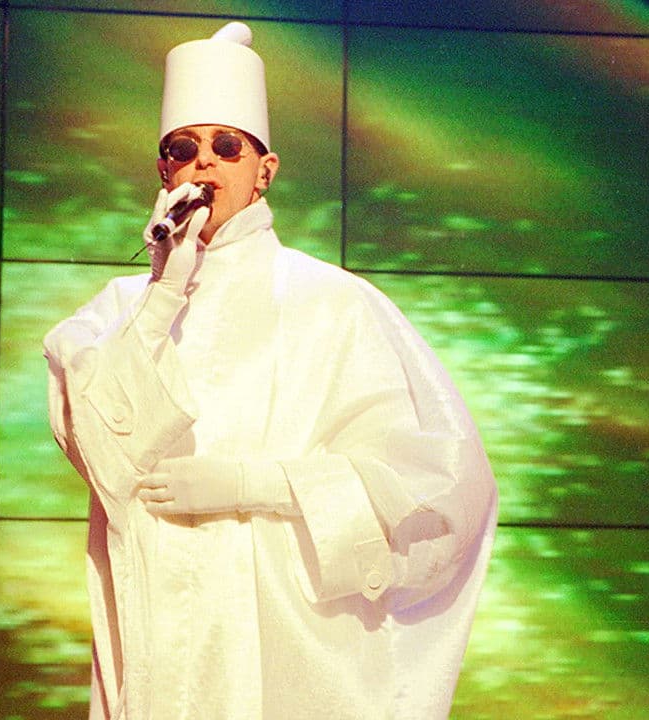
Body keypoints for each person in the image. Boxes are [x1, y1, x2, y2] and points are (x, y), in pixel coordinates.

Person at [43, 22, 497, 720]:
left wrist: (256, 485)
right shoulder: (120, 309)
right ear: (164, 173)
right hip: (158, 626)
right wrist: (164, 293)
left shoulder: (334, 303)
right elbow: (102, 450)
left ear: (265, 169)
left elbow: (437, 485)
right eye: (183, 149)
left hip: (285, 637)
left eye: (226, 146)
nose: (203, 162)